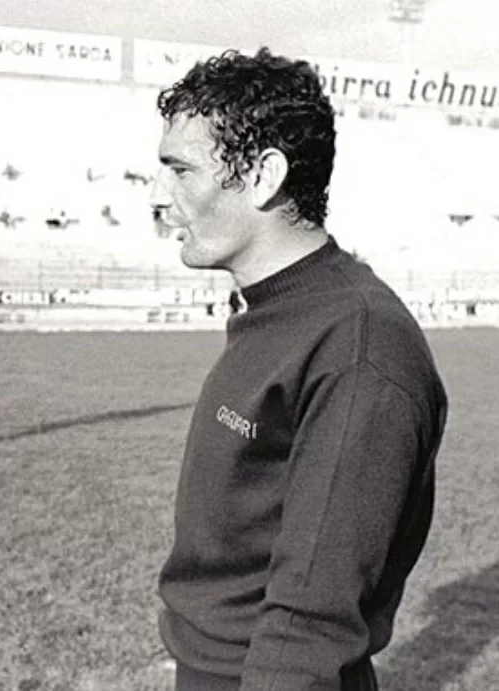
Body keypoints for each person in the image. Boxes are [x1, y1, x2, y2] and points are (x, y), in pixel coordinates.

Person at [150, 48, 447, 691]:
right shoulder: (278, 308)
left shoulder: (358, 345)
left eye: (181, 170)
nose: (159, 195)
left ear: (263, 176)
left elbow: (312, 623)